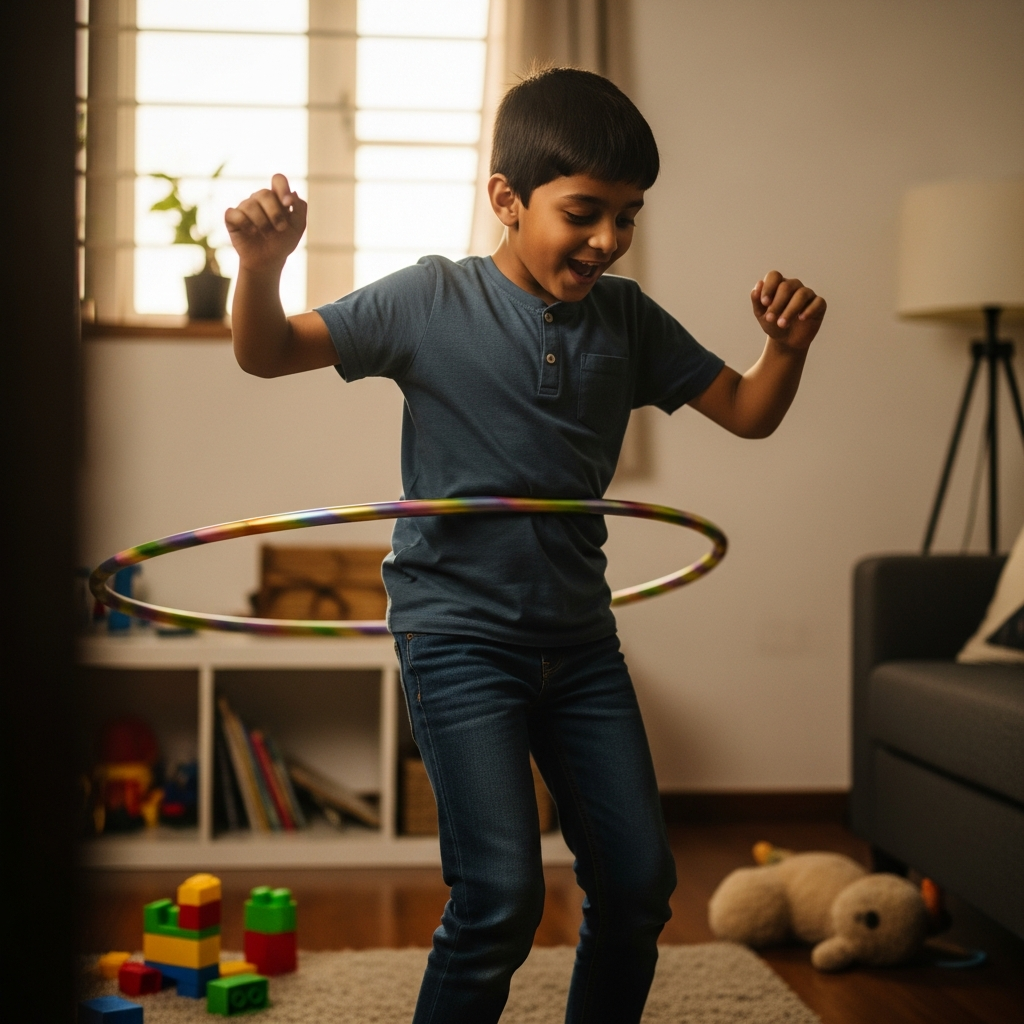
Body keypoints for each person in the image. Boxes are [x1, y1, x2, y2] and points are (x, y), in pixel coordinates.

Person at [226, 67, 825, 1024]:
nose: (607, 240)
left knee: (637, 888)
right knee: (500, 898)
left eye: (628, 217)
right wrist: (260, 269)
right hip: (458, 639)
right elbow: (266, 352)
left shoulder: (627, 319)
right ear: (506, 198)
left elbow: (749, 413)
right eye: (584, 211)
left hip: (581, 645)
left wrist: (783, 353)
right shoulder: (429, 301)